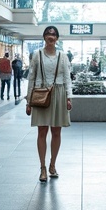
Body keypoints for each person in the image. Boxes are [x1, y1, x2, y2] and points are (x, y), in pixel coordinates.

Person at [26, 25, 72, 183]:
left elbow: (67, 78)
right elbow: (31, 78)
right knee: (42, 132)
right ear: (44, 37)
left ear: (57, 38)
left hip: (59, 93)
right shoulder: (37, 55)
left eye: (53, 34)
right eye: (48, 34)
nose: (50, 37)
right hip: (40, 94)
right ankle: (43, 167)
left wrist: (69, 97)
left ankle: (53, 164)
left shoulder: (63, 56)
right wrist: (28, 99)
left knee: (57, 132)